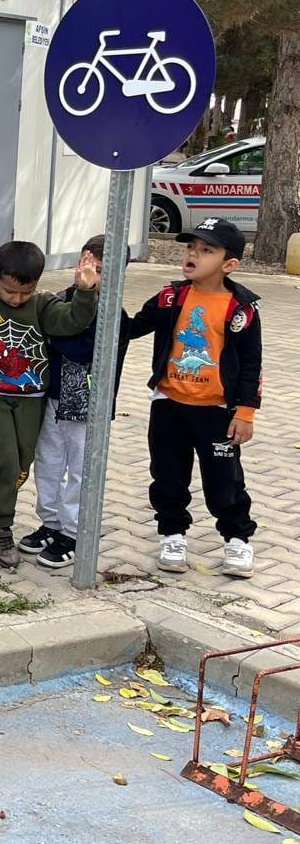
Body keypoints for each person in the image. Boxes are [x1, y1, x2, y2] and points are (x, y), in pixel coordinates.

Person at [123, 218, 262, 578]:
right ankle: (172, 534)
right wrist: (96, 297)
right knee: (168, 475)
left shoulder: (241, 310)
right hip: (169, 404)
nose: (193, 255)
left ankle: (237, 540)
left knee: (224, 481)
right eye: (190, 248)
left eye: (206, 250)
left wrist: (245, 412)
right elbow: (133, 327)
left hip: (216, 411)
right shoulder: (172, 297)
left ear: (229, 264)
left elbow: (251, 364)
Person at [0, 241, 99, 569]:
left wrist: (84, 291)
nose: (17, 299)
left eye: (26, 291)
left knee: (22, 466)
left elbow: (71, 322)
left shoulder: (42, 305)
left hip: (32, 398)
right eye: (9, 291)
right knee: (3, 461)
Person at [21, 235, 122, 570]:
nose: (96, 278)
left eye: (108, 272)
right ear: (83, 260)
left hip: (87, 405)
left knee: (81, 468)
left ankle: (75, 532)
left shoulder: (112, 311)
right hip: (52, 397)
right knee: (48, 461)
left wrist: (57, 335)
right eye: (93, 267)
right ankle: (50, 522)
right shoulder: (60, 300)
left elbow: (82, 349)